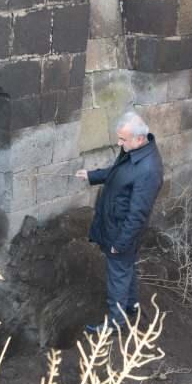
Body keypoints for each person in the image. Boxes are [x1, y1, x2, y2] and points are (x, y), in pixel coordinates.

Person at [75, 111, 164, 334]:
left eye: (122, 139)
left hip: (122, 232)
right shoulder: (133, 152)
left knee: (118, 276)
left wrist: (121, 242)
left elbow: (138, 214)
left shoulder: (148, 170)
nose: (119, 143)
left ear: (139, 138)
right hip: (116, 225)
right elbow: (117, 173)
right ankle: (131, 307)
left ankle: (116, 324)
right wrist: (92, 175)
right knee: (127, 268)